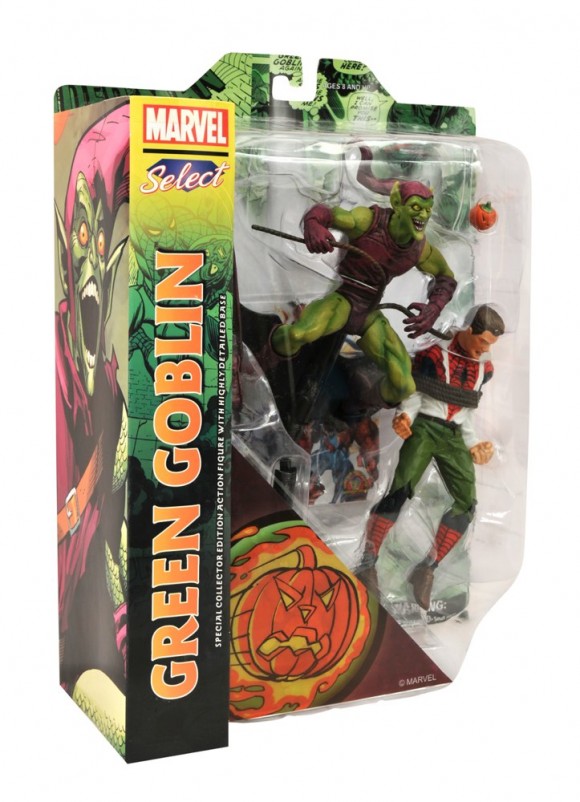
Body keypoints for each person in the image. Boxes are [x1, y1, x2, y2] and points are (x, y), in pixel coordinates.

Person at [271, 162, 457, 406]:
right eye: (415, 207)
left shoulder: (419, 250)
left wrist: (434, 308)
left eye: (427, 210)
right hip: (342, 299)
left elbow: (446, 277)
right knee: (297, 334)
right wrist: (313, 224)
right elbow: (327, 213)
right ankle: (267, 359)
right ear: (397, 204)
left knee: (404, 385)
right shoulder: (369, 220)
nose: (422, 215)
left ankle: (357, 406)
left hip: (370, 313)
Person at [359, 305, 505, 610]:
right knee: (399, 491)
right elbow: (414, 393)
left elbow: (466, 411)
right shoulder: (433, 355)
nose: (485, 350)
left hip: (454, 436)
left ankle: (428, 569)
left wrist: (474, 444)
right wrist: (405, 416)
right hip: (424, 429)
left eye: (490, 345)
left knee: (466, 503)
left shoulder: (485, 369)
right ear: (469, 329)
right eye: (483, 342)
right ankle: (368, 562)